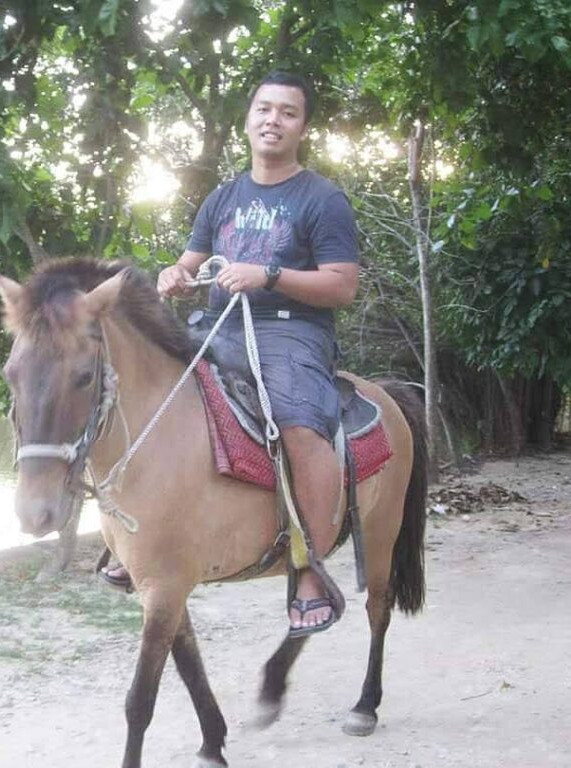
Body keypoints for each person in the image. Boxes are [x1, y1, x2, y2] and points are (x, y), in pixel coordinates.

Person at [104, 71, 359, 637]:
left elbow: (342, 285)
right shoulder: (223, 197)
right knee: (146, 393)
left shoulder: (322, 198)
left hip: (290, 333)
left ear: (302, 126)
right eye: (265, 109)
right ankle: (133, 539)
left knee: (300, 427)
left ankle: (310, 568)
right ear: (248, 120)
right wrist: (176, 274)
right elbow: (191, 262)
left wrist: (269, 275)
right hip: (216, 325)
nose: (274, 120)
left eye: (287, 112)